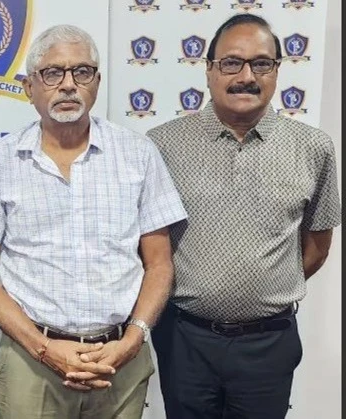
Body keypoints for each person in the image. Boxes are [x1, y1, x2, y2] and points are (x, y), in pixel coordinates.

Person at [0, 24, 187, 419]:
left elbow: (160, 263)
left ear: (96, 83)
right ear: (29, 88)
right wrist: (45, 349)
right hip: (32, 360)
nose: (67, 85)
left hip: (119, 360)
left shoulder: (138, 154)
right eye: (52, 73)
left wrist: (132, 340)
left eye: (81, 72)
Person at [147, 14, 342, 419]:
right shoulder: (162, 145)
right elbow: (150, 246)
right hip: (185, 339)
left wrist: (259, 289)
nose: (246, 76)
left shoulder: (313, 148)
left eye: (261, 63)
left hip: (268, 344)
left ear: (277, 71)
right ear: (209, 70)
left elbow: (318, 246)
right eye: (232, 63)